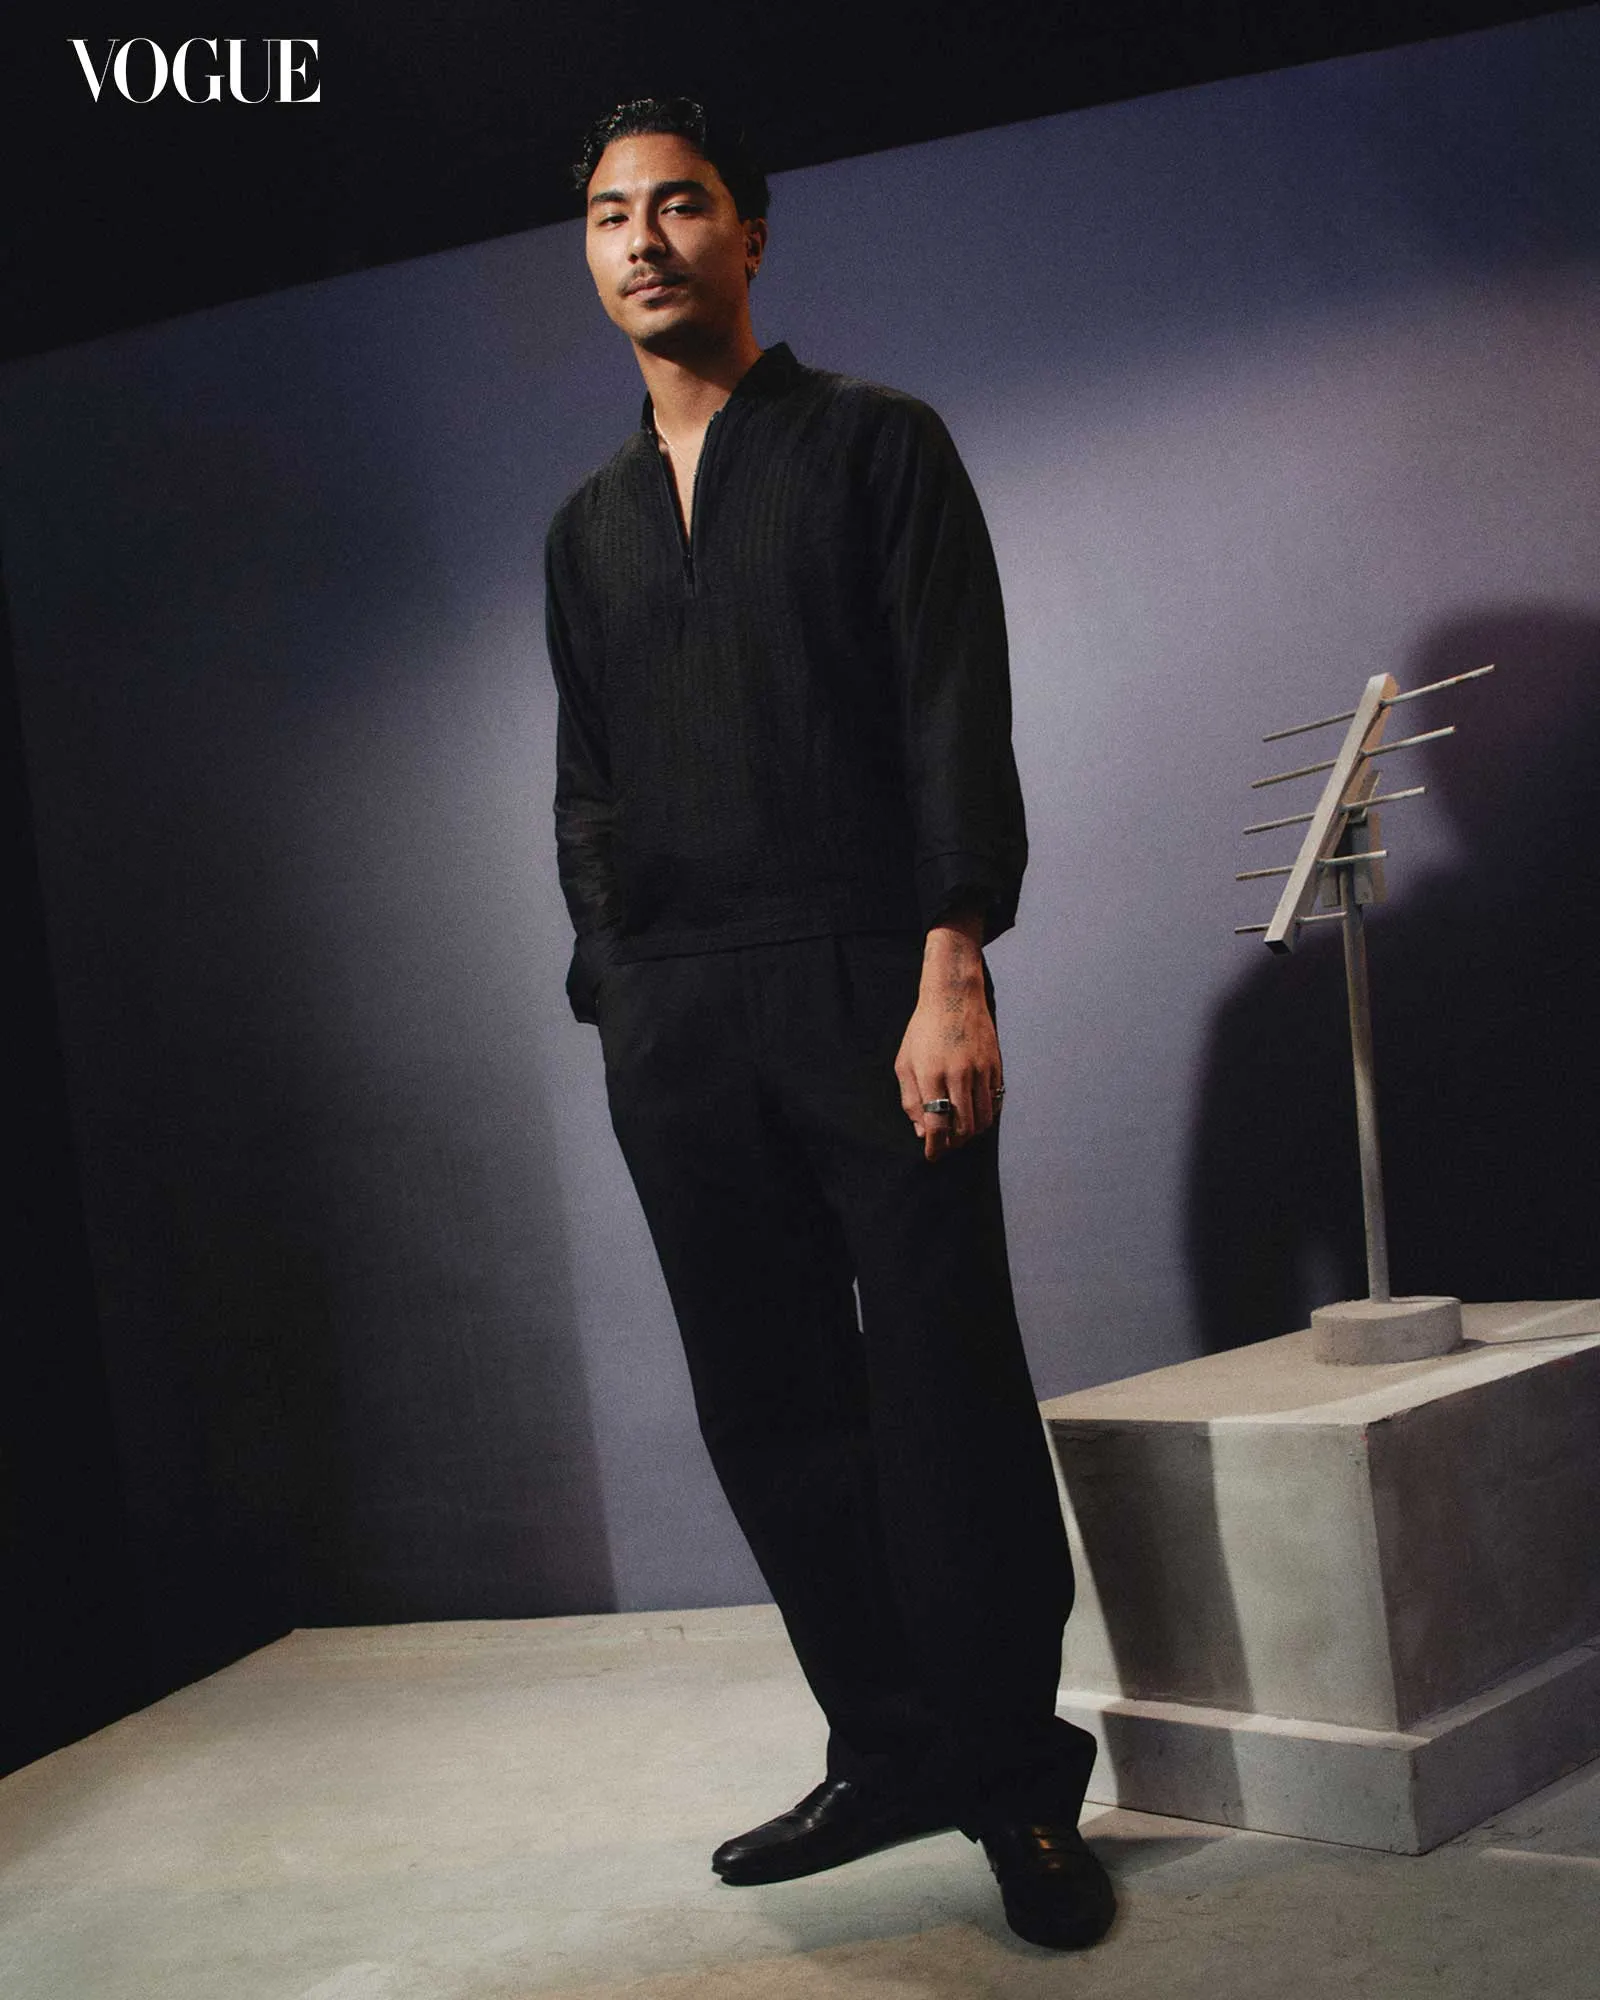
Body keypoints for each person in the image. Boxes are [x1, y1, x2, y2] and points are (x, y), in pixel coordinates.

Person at [544, 95, 1114, 1952]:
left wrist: (955, 962)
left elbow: (955, 708)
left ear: (751, 234)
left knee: (943, 1393)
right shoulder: (586, 527)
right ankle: (888, 1750)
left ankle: (1016, 1784)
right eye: (611, 215)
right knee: (769, 1403)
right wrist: (615, 982)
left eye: (680, 204)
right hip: (679, 1018)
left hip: (878, 982)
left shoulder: (878, 444)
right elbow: (587, 783)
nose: (644, 240)